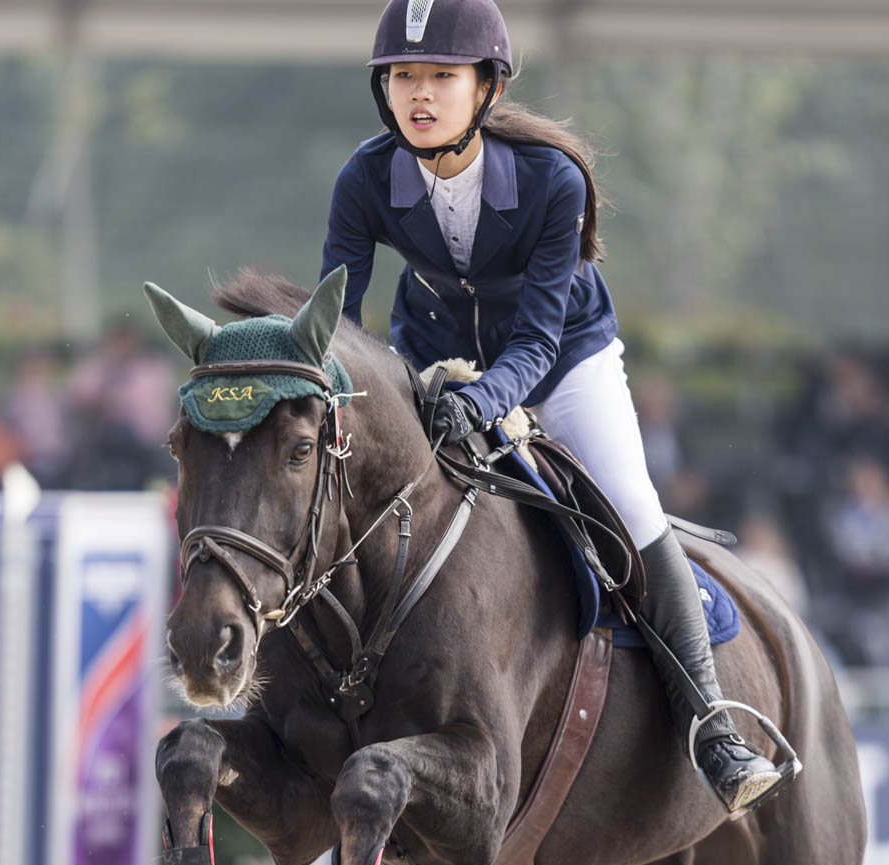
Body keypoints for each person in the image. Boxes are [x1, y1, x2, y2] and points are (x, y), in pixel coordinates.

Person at [319, 0, 789, 813]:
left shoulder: (550, 179)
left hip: (564, 361)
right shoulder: (366, 176)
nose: (417, 94)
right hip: (429, 357)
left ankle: (712, 727)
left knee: (632, 506)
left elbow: (534, 345)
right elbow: (341, 320)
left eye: (439, 76)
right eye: (401, 77)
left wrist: (482, 402)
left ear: (487, 88)